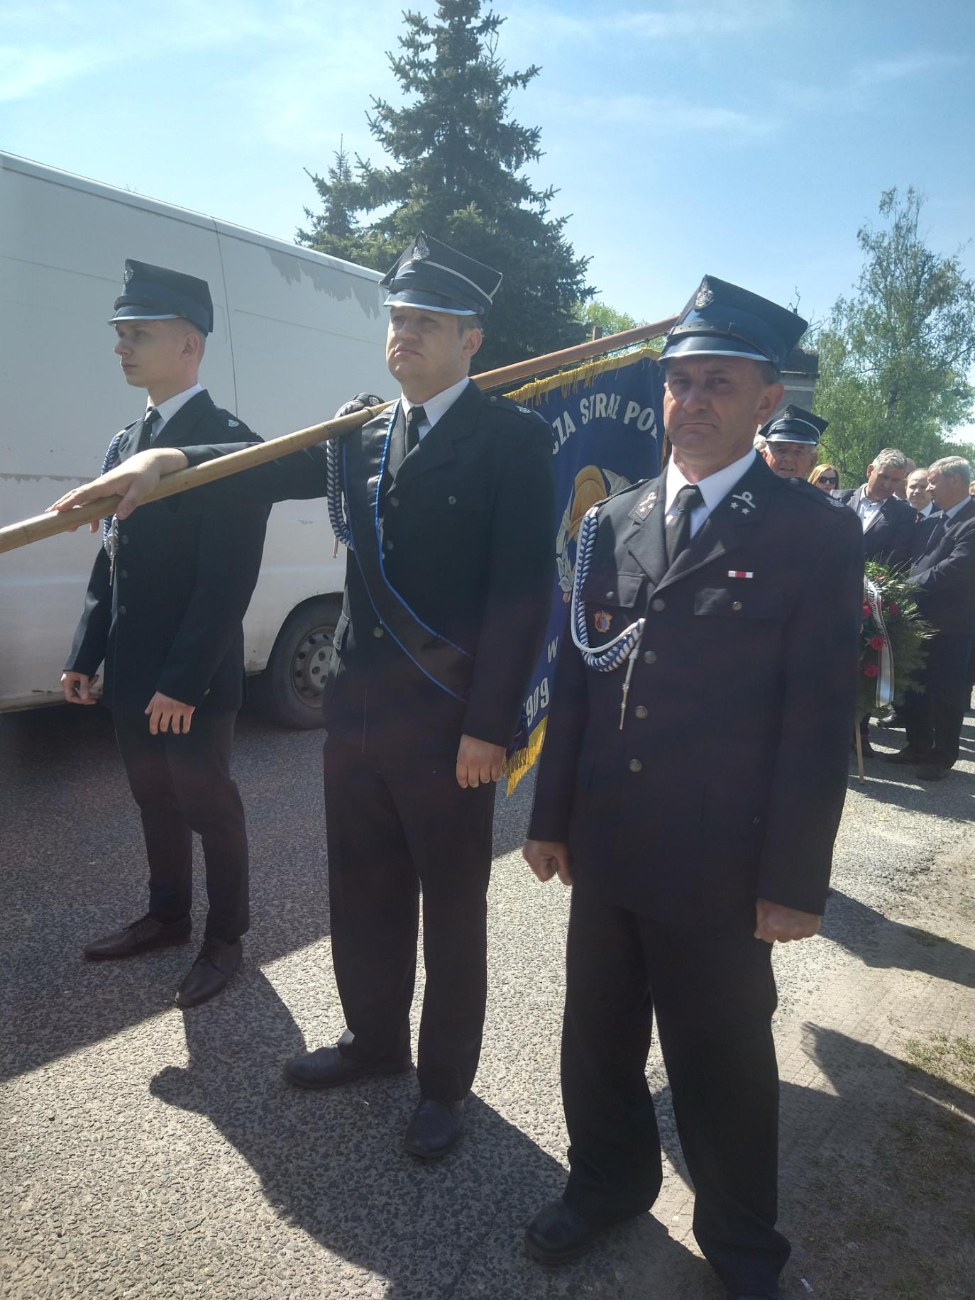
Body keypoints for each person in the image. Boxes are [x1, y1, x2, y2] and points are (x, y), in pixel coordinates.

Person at [51, 234, 556, 1158]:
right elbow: (256, 462)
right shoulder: (356, 432)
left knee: (450, 908)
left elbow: (525, 596)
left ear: (470, 340)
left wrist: (491, 723)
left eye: (425, 324)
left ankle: (444, 1084)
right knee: (360, 891)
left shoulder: (513, 441)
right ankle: (372, 1041)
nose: (402, 336)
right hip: (357, 717)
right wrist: (163, 462)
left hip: (452, 727)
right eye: (397, 320)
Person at [520, 275, 863, 1300]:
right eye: (681, 381)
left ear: (766, 401)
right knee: (598, 1033)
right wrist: (550, 818)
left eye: (720, 382)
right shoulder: (610, 523)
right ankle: (609, 1182)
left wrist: (795, 881)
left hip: (723, 861)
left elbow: (816, 727)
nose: (694, 400)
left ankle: (745, 1245)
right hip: (613, 844)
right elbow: (579, 681)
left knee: (722, 1065)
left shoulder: (812, 533)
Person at [61, 261, 269, 1007]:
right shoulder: (126, 443)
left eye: (138, 334)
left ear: (189, 345)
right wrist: (86, 653)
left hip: (194, 677)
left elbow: (227, 581)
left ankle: (225, 938)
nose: (122, 346)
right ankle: (168, 916)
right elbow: (108, 555)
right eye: (120, 334)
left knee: (209, 805)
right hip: (132, 668)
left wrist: (183, 681)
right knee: (154, 800)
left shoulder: (230, 445)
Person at [887, 456, 975, 781]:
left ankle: (943, 756)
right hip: (921, 620)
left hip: (951, 625)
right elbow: (923, 559)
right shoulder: (941, 518)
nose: (928, 488)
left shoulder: (972, 520)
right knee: (917, 687)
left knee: (947, 692)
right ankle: (918, 746)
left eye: (933, 481)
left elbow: (954, 569)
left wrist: (906, 586)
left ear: (955, 481)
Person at [832, 449, 915, 567]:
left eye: (895, 480)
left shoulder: (905, 514)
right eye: (883, 477)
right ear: (870, 470)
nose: (887, 485)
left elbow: (896, 556)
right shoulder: (837, 499)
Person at [757, 404, 825, 482]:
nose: (788, 459)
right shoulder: (744, 492)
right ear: (764, 456)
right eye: (780, 450)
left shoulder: (817, 494)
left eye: (798, 452)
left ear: (812, 462)